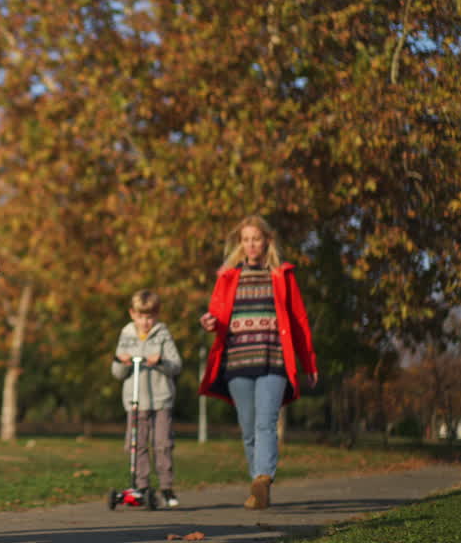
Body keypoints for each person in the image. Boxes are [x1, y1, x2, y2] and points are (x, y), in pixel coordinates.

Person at [198, 215, 318, 510]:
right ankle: (258, 487)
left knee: (266, 423)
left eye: (256, 238)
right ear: (241, 244)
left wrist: (309, 363)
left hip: (273, 360)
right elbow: (216, 315)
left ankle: (263, 478)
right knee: (248, 426)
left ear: (267, 241)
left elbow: (300, 322)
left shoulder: (282, 275)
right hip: (238, 361)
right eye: (246, 239)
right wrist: (209, 322)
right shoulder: (227, 276)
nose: (251, 244)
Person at [111, 289, 183, 508]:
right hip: (136, 400)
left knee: (162, 444)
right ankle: (140, 485)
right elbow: (117, 373)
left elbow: (176, 365)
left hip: (160, 399)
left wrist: (160, 362)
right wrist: (120, 362)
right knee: (137, 444)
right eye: (141, 316)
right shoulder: (126, 335)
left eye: (150, 316)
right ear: (133, 314)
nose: (145, 321)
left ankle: (166, 486)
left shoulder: (162, 334)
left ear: (157, 314)